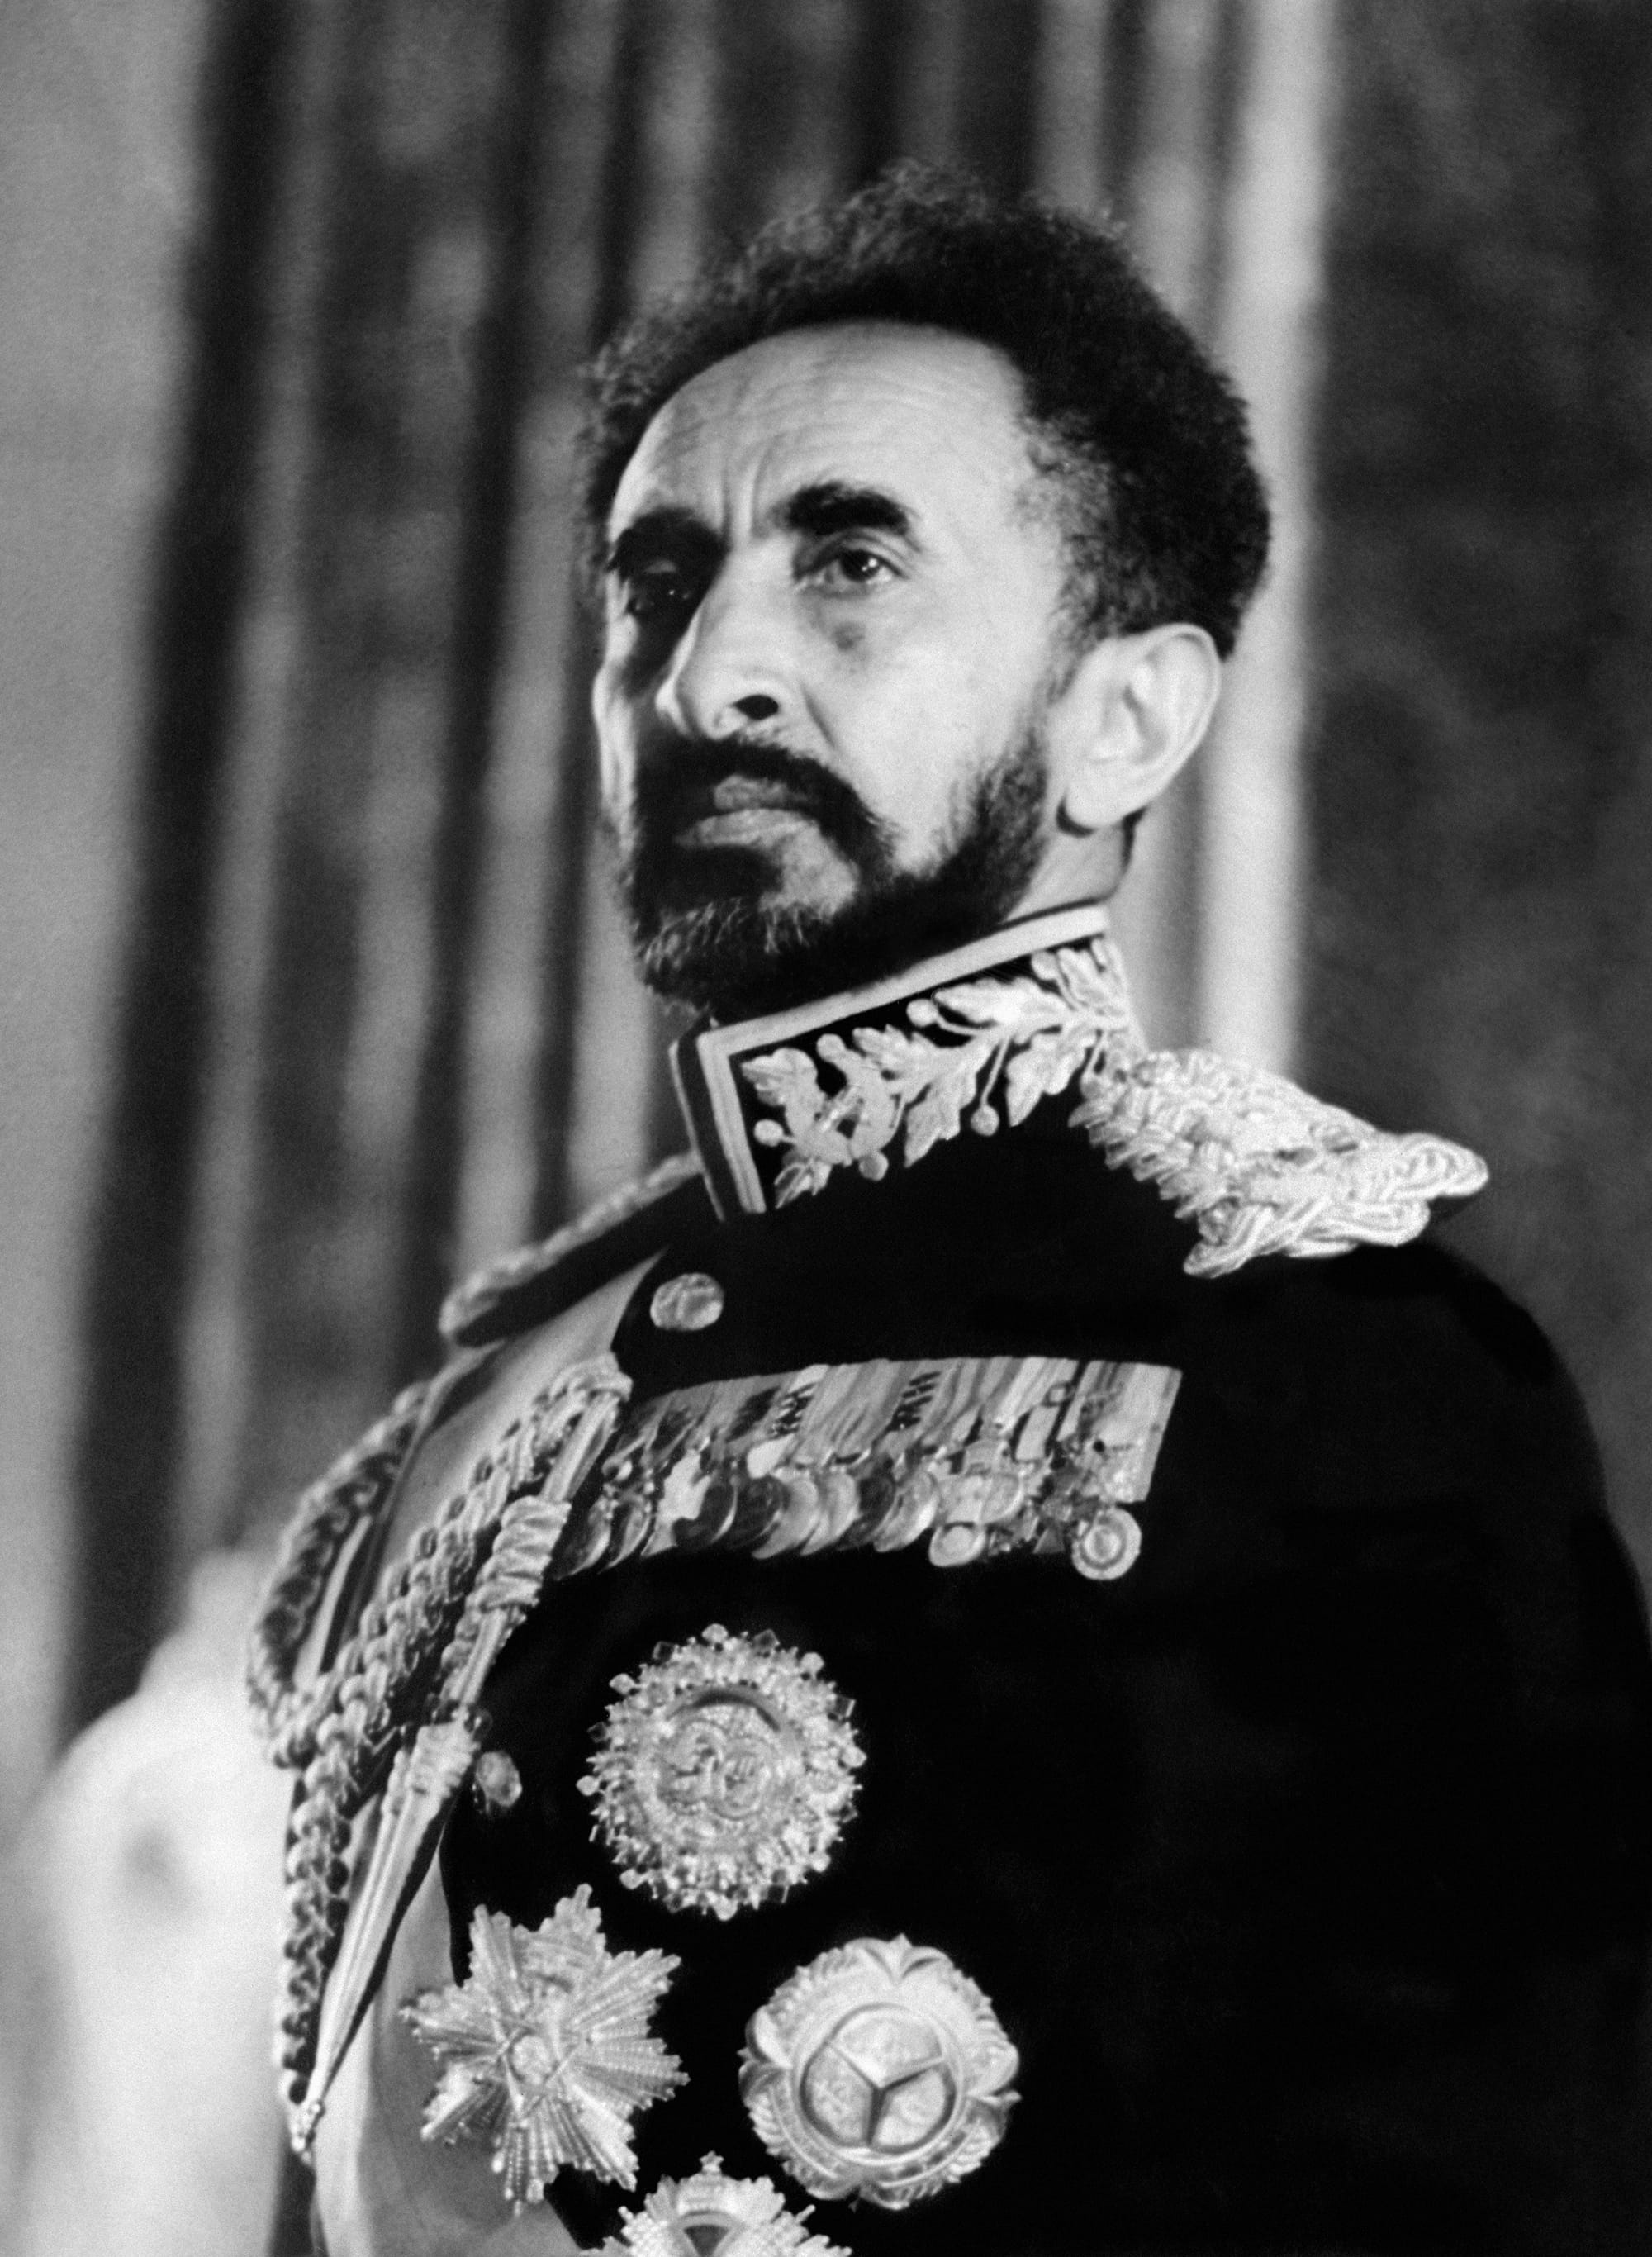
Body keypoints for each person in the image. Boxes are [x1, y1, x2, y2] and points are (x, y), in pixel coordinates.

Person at [250, 169, 1652, 2257]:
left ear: (1124, 718)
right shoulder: (519, 1379)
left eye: (848, 566)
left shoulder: (1330, 1375)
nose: (707, 673)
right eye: (658, 583)